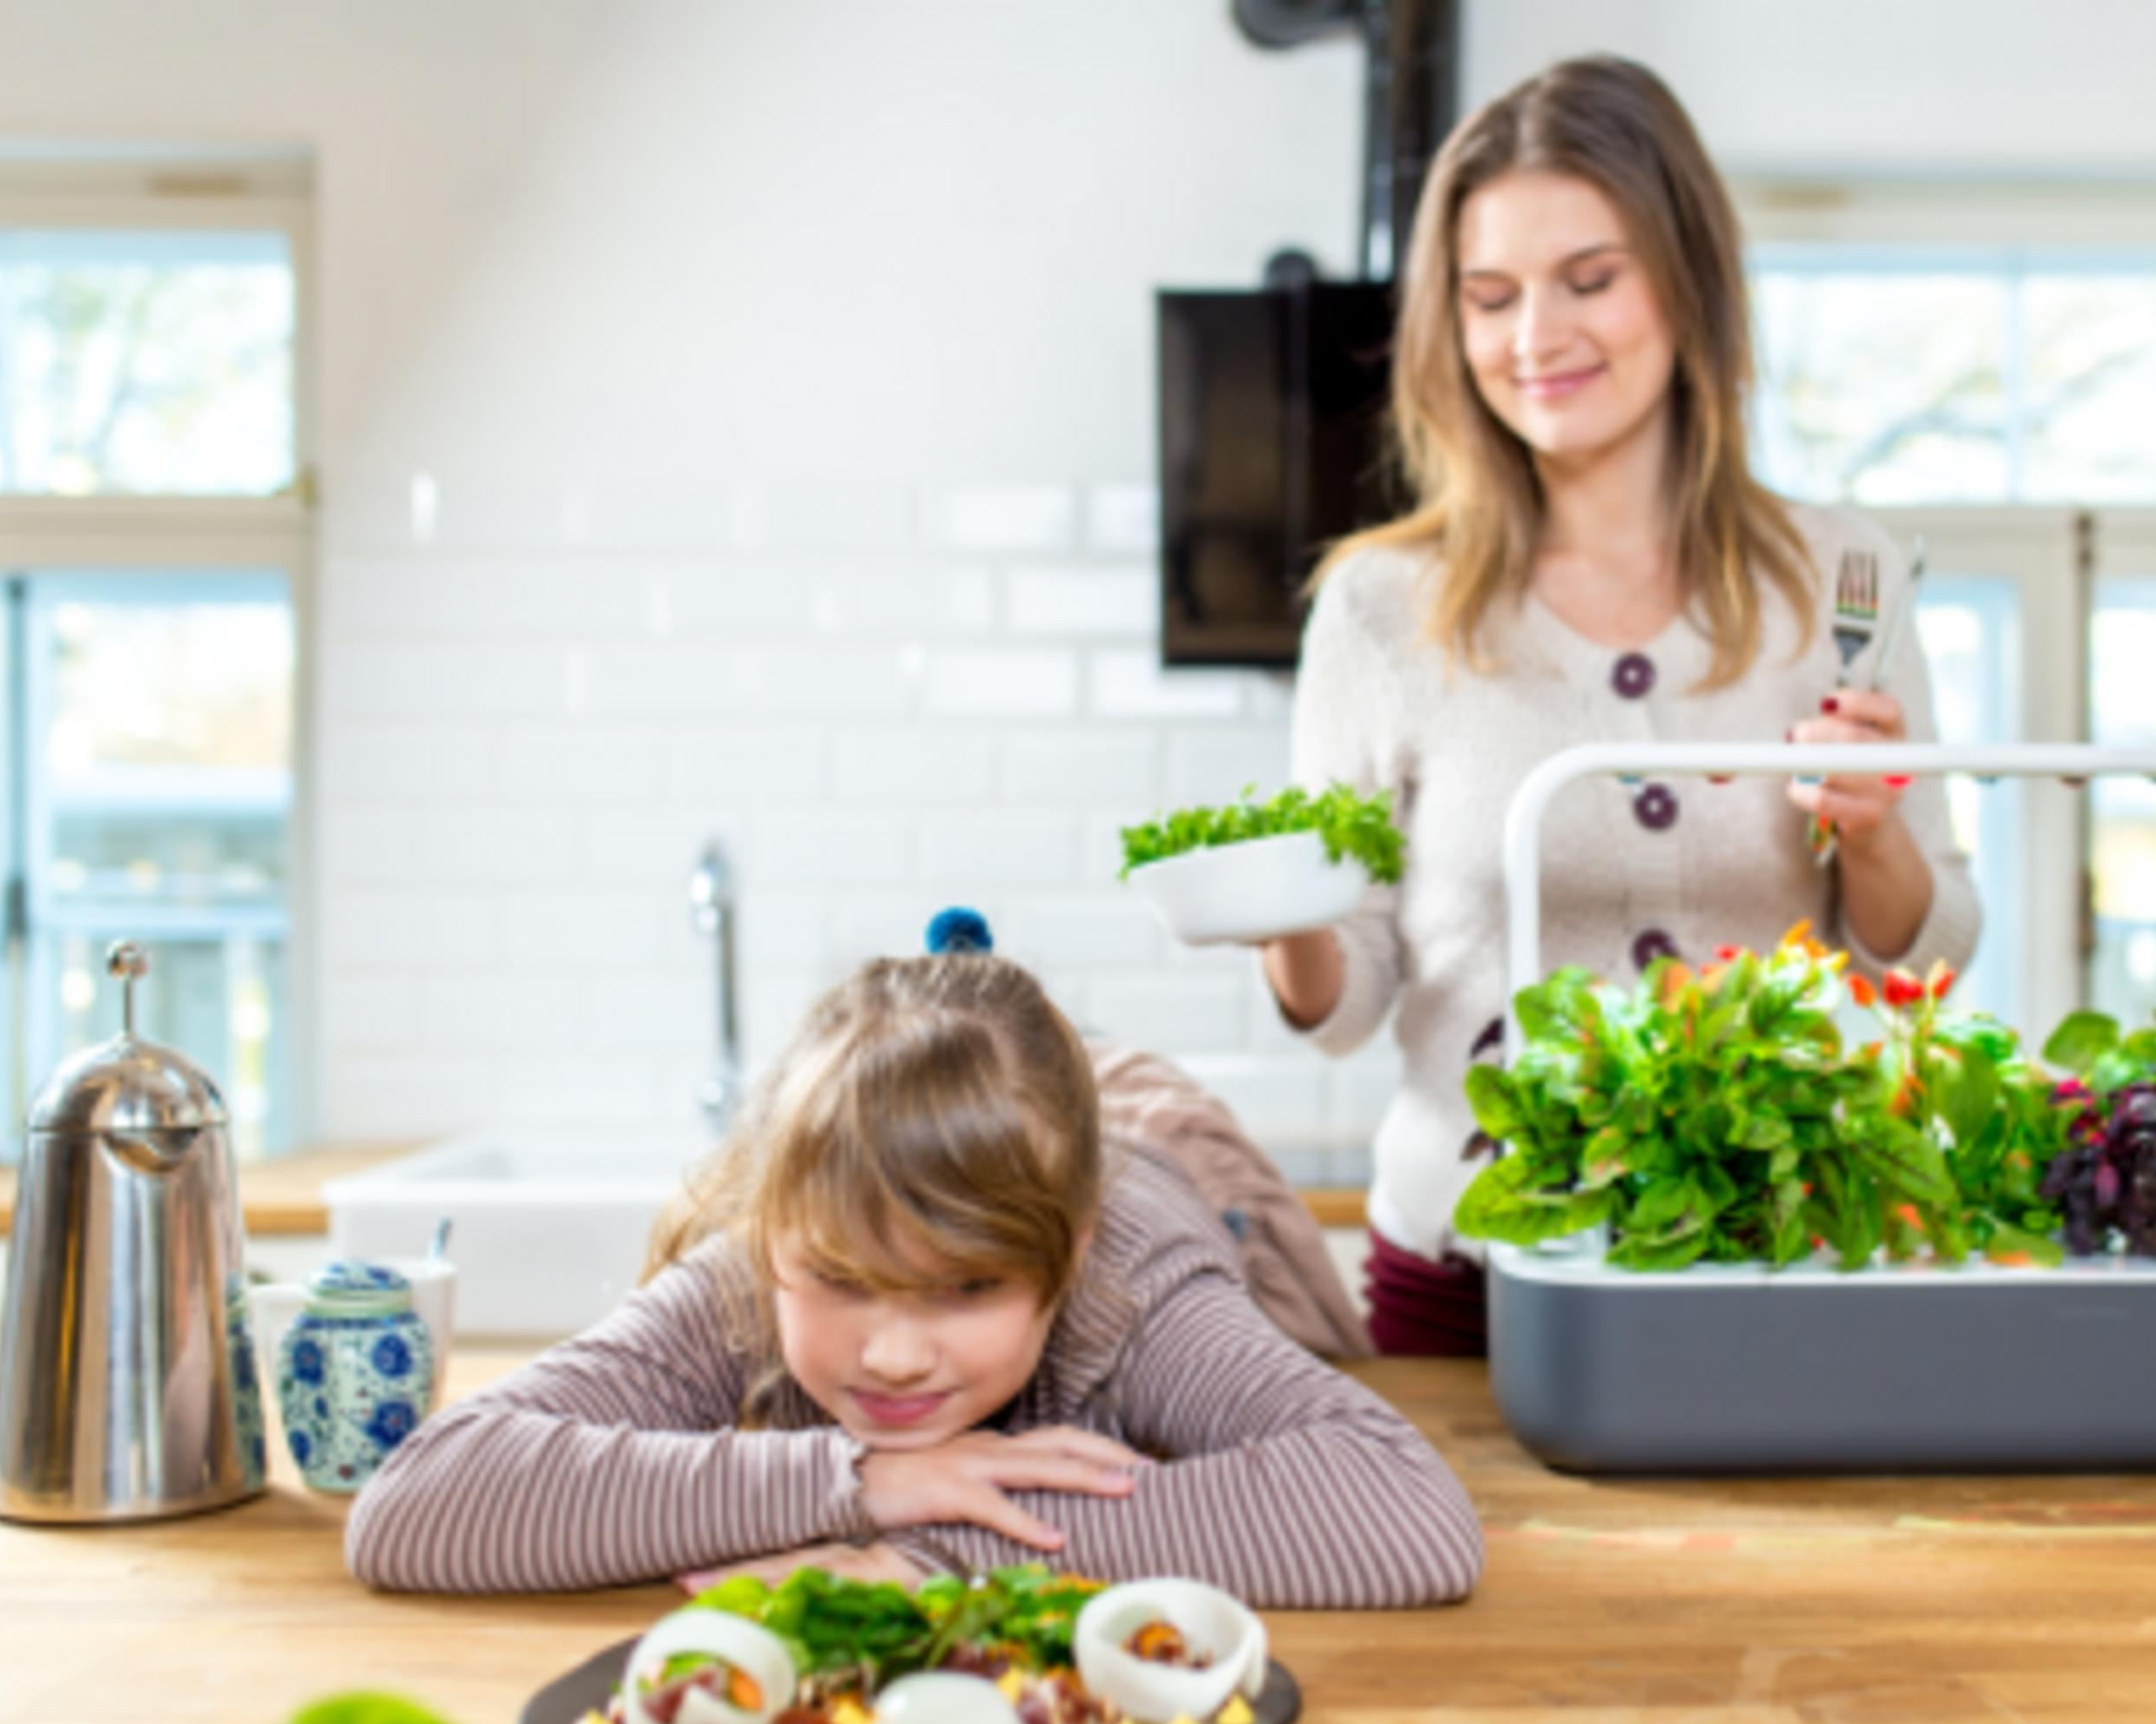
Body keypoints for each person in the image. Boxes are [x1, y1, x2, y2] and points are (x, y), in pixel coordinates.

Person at [1262, 56, 1981, 1357]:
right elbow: (1352, 994)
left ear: (1687, 280)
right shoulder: (1380, 609)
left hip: (1770, 1257)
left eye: (1589, 280)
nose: (1535, 338)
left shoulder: (1840, 579)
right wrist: (1279, 917)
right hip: (1471, 1270)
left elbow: (1924, 959)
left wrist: (1874, 835)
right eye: (1491, 297)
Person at [344, 952, 1483, 1607]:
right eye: (841, 1279)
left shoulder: (1128, 1284)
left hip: (1160, 1153)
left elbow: (1411, 1513)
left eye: (965, 1290)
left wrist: (942, 1537)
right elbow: (413, 1504)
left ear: (1062, 1259)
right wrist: (864, 1480)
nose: (891, 1355)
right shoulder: (758, 1258)